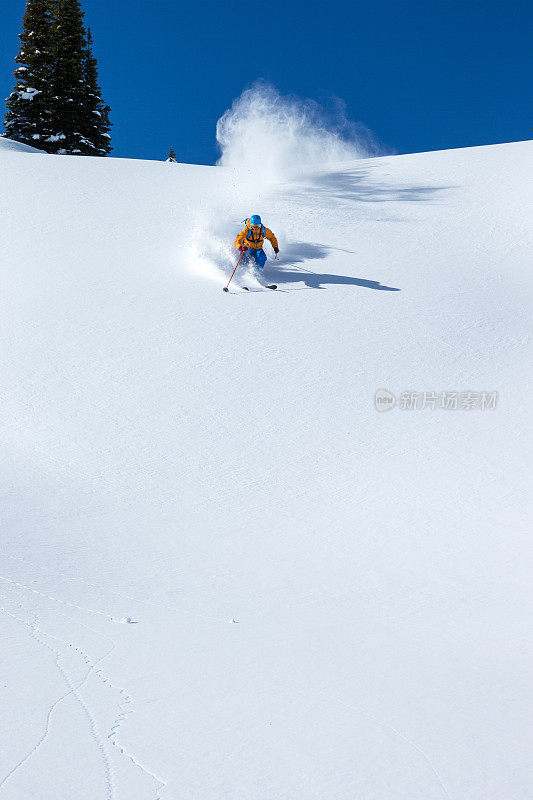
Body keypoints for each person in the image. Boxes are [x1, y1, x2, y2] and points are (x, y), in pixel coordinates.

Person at [234, 215, 279, 281]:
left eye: (257, 226)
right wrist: (240, 247)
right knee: (244, 260)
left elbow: (272, 238)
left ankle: (256, 273)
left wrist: (275, 246)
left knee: (262, 258)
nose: (255, 228)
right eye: (253, 226)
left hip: (258, 249)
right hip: (247, 248)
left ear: (260, 224)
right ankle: (241, 274)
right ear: (251, 225)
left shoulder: (264, 230)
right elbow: (238, 240)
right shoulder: (247, 230)